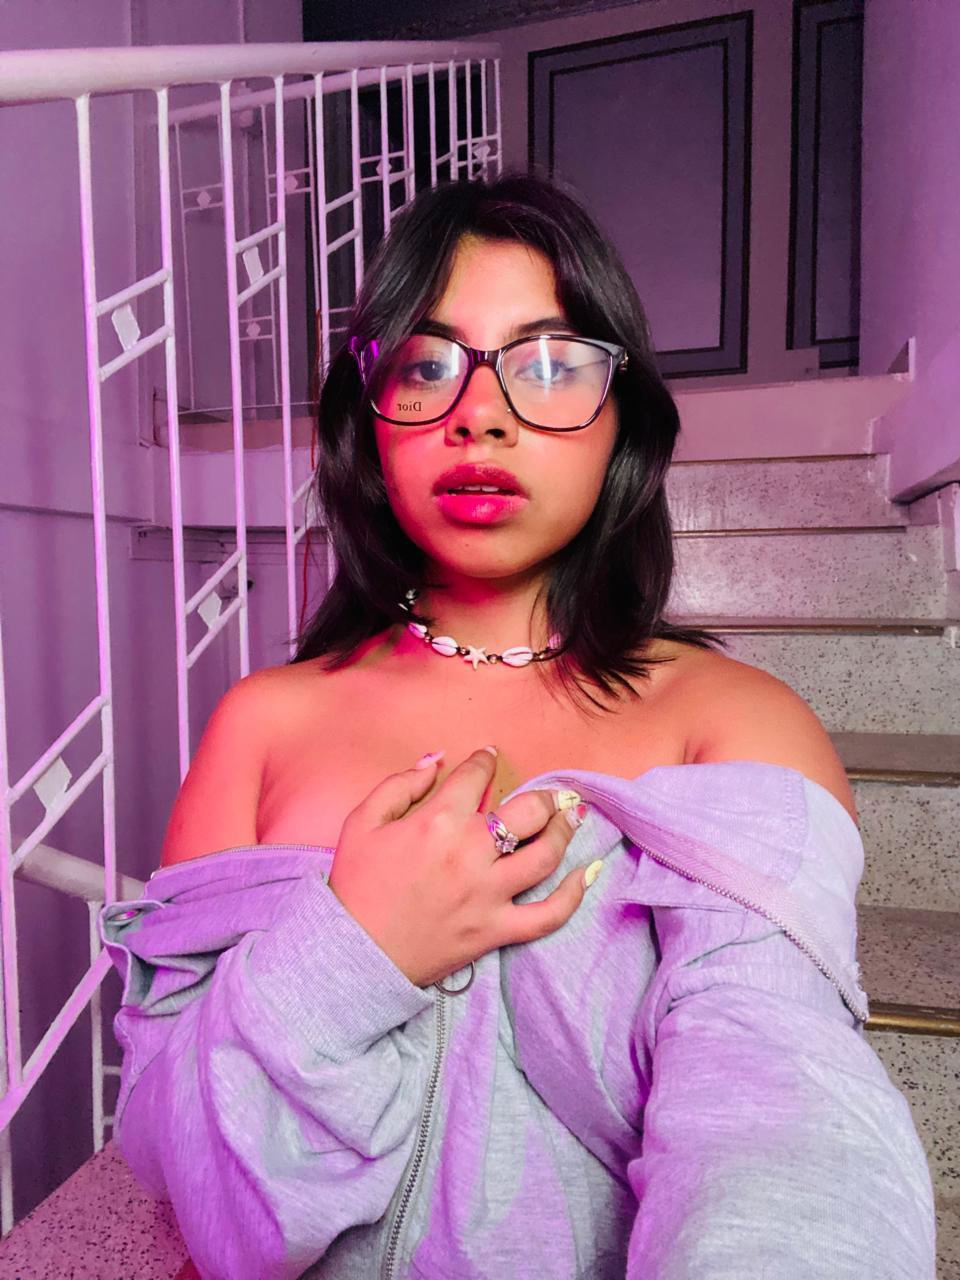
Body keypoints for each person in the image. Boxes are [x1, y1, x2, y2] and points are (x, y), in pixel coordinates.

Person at [101, 173, 936, 1279]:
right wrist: (356, 946)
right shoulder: (261, 722)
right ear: (369, 421)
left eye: (550, 363)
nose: (479, 414)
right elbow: (168, 1142)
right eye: (426, 365)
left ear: (622, 421)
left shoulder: (732, 720)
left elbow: (782, 1113)